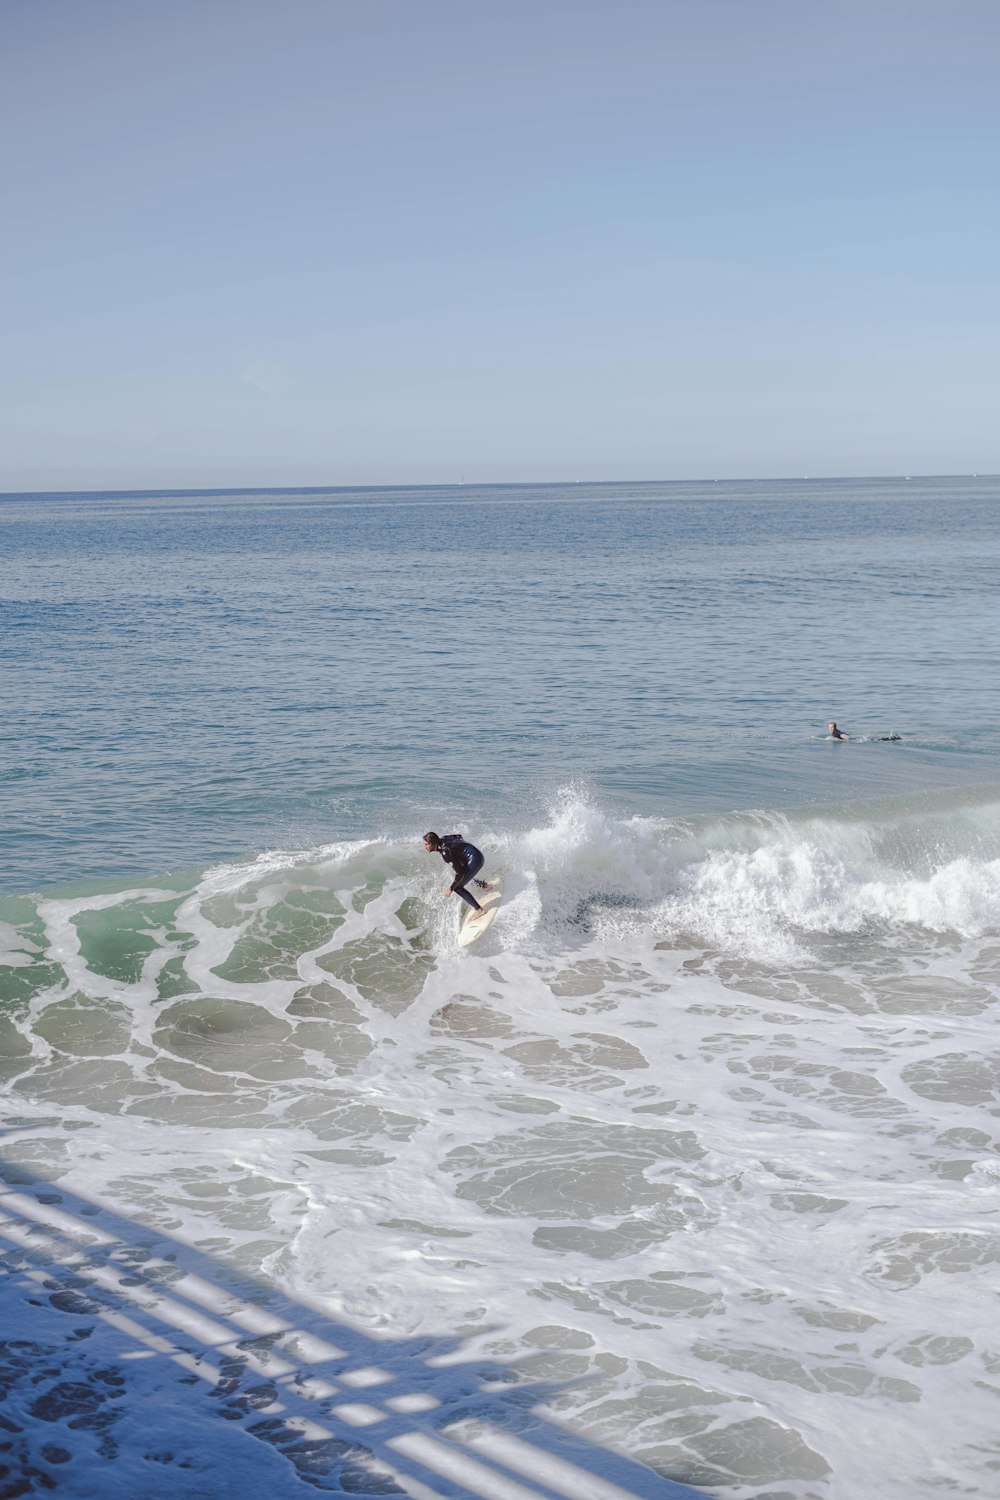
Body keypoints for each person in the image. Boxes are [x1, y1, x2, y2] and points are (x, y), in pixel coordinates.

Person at [423, 831, 490, 917]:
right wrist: (462, 851)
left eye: (426, 844)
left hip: (475, 859)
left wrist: (450, 889)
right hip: (475, 853)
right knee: (464, 876)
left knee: (457, 887)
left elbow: (460, 873)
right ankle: (485, 886)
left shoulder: (445, 852)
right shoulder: (444, 838)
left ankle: (479, 910)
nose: (425, 847)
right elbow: (459, 836)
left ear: (433, 843)